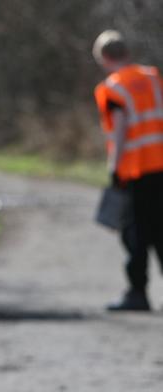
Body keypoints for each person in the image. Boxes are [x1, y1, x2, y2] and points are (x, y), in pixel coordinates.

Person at [93, 30, 163, 311]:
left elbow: (120, 129)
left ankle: (137, 293)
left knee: (135, 232)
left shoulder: (113, 88)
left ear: (104, 58)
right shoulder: (152, 77)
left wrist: (114, 168)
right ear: (126, 52)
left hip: (136, 169)